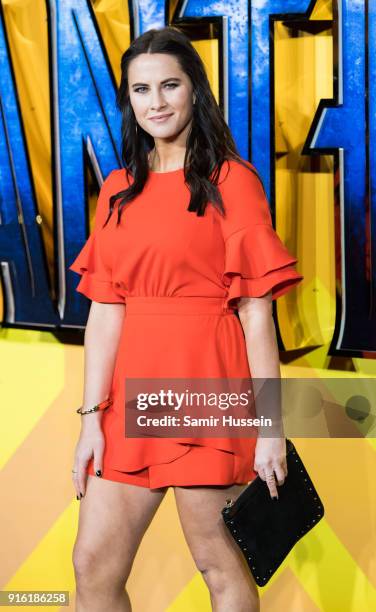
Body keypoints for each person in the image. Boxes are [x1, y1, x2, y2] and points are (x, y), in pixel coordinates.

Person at [69, 26, 303, 612]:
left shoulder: (233, 182)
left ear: (195, 90)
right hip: (129, 399)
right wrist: (91, 419)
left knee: (219, 568)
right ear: (130, 99)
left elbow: (256, 315)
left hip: (206, 391)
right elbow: (105, 312)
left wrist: (270, 429)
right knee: (91, 565)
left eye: (170, 85)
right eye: (142, 89)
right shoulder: (118, 191)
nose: (157, 102)